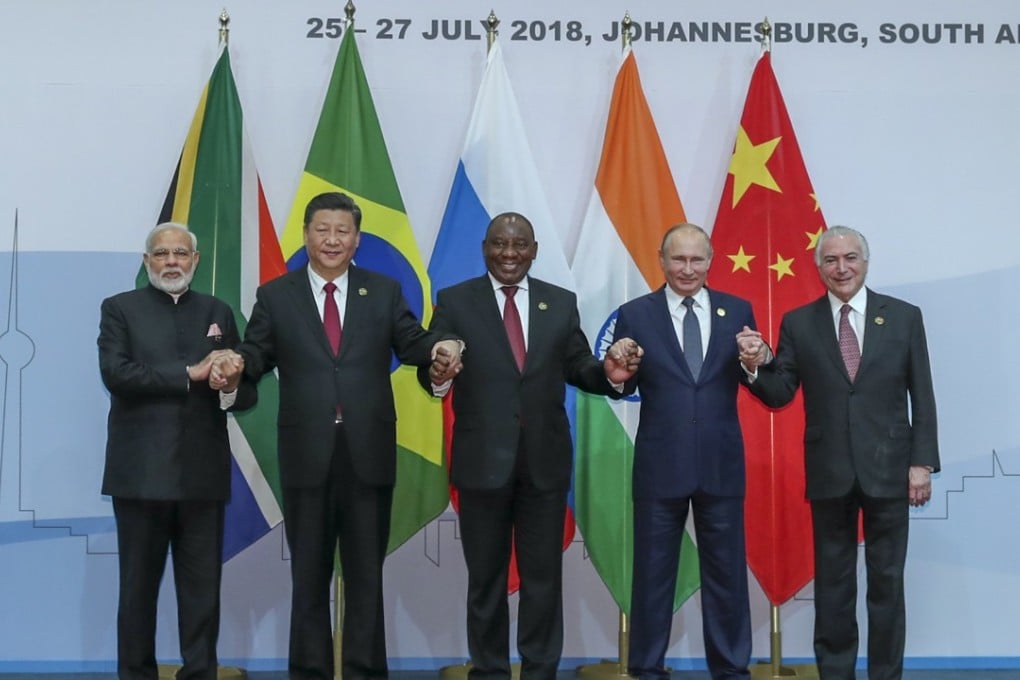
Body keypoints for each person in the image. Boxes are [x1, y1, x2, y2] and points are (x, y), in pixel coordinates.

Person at [237, 191, 462, 680]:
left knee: (365, 580)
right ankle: (310, 672)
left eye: (342, 231)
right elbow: (256, 356)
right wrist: (234, 369)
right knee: (309, 579)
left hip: (368, 454)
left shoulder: (382, 291)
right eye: (323, 230)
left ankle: (364, 671)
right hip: (305, 455)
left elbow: (414, 343)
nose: (332, 239)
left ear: (357, 238)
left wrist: (441, 350)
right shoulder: (276, 296)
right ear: (307, 235)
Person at [418, 211, 641, 680]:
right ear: (485, 248)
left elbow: (578, 363)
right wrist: (439, 368)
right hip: (482, 465)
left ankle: (541, 670)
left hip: (543, 463)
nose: (509, 254)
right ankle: (489, 670)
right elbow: (437, 352)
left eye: (520, 245)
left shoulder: (560, 303)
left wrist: (610, 375)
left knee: (543, 580)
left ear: (534, 250)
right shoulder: (456, 300)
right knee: (486, 582)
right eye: (500, 244)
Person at [739, 225, 939, 680]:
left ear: (865, 263)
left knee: (887, 584)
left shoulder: (904, 317)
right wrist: (752, 368)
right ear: (819, 268)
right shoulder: (798, 321)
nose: (841, 267)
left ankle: (886, 674)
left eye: (850, 258)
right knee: (834, 585)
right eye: (831, 260)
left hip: (891, 470)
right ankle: (836, 672)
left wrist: (921, 464)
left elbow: (922, 395)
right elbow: (779, 391)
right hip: (829, 470)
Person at [98, 222, 256, 680]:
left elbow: (246, 396)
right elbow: (117, 374)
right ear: (147, 261)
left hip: (202, 476)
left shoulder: (218, 311)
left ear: (196, 261)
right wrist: (191, 373)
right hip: (140, 475)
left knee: (202, 591)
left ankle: (201, 672)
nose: (172, 262)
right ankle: (136, 673)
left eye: (181, 254)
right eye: (162, 254)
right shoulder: (119, 310)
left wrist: (228, 384)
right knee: (138, 592)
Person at [615, 223, 760, 680]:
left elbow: (765, 380)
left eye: (697, 259)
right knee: (653, 579)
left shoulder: (738, 311)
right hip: (661, 466)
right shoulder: (635, 314)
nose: (688, 268)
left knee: (728, 579)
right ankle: (646, 668)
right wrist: (618, 371)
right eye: (679, 259)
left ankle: (732, 670)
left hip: (720, 464)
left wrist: (758, 363)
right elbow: (623, 385)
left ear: (710, 261)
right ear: (661, 260)